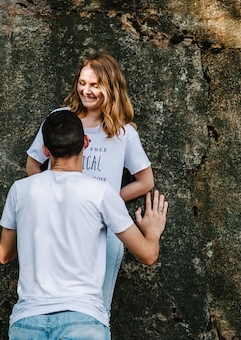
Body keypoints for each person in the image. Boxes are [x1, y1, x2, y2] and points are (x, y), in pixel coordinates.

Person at [0, 110, 168, 340]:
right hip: (83, 320)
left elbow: (4, 255)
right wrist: (153, 231)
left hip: (28, 322)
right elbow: (148, 255)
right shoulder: (100, 193)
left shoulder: (20, 190)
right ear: (85, 142)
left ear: (46, 150)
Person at [25, 53, 154, 315]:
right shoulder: (61, 119)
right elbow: (32, 163)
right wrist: (50, 196)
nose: (86, 90)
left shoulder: (123, 133)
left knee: (97, 309)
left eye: (95, 85)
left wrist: (105, 201)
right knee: (49, 306)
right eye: (82, 83)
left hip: (104, 233)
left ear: (111, 87)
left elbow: (145, 181)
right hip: (57, 226)